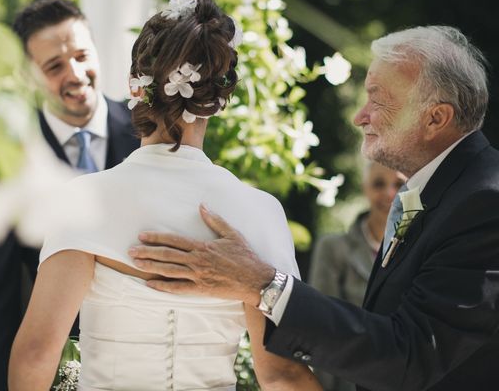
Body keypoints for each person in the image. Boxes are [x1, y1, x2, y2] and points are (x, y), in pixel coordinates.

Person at [130, 25, 499, 391]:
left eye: (378, 99)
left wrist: (263, 285)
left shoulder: (486, 204)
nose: (360, 116)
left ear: (436, 118)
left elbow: (412, 353)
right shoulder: (448, 190)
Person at [8, 0, 322, 390]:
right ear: (218, 100)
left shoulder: (83, 202)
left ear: (134, 87)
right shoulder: (261, 212)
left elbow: (37, 353)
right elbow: (281, 374)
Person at [0, 0, 139, 391]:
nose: (77, 74)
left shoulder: (147, 130)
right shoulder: (5, 157)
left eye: (82, 55)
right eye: (55, 66)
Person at [307, 161, 405, 391]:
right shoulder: (332, 249)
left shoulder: (422, 247)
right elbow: (323, 328)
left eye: (399, 184)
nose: (390, 193)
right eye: (379, 184)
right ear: (365, 188)